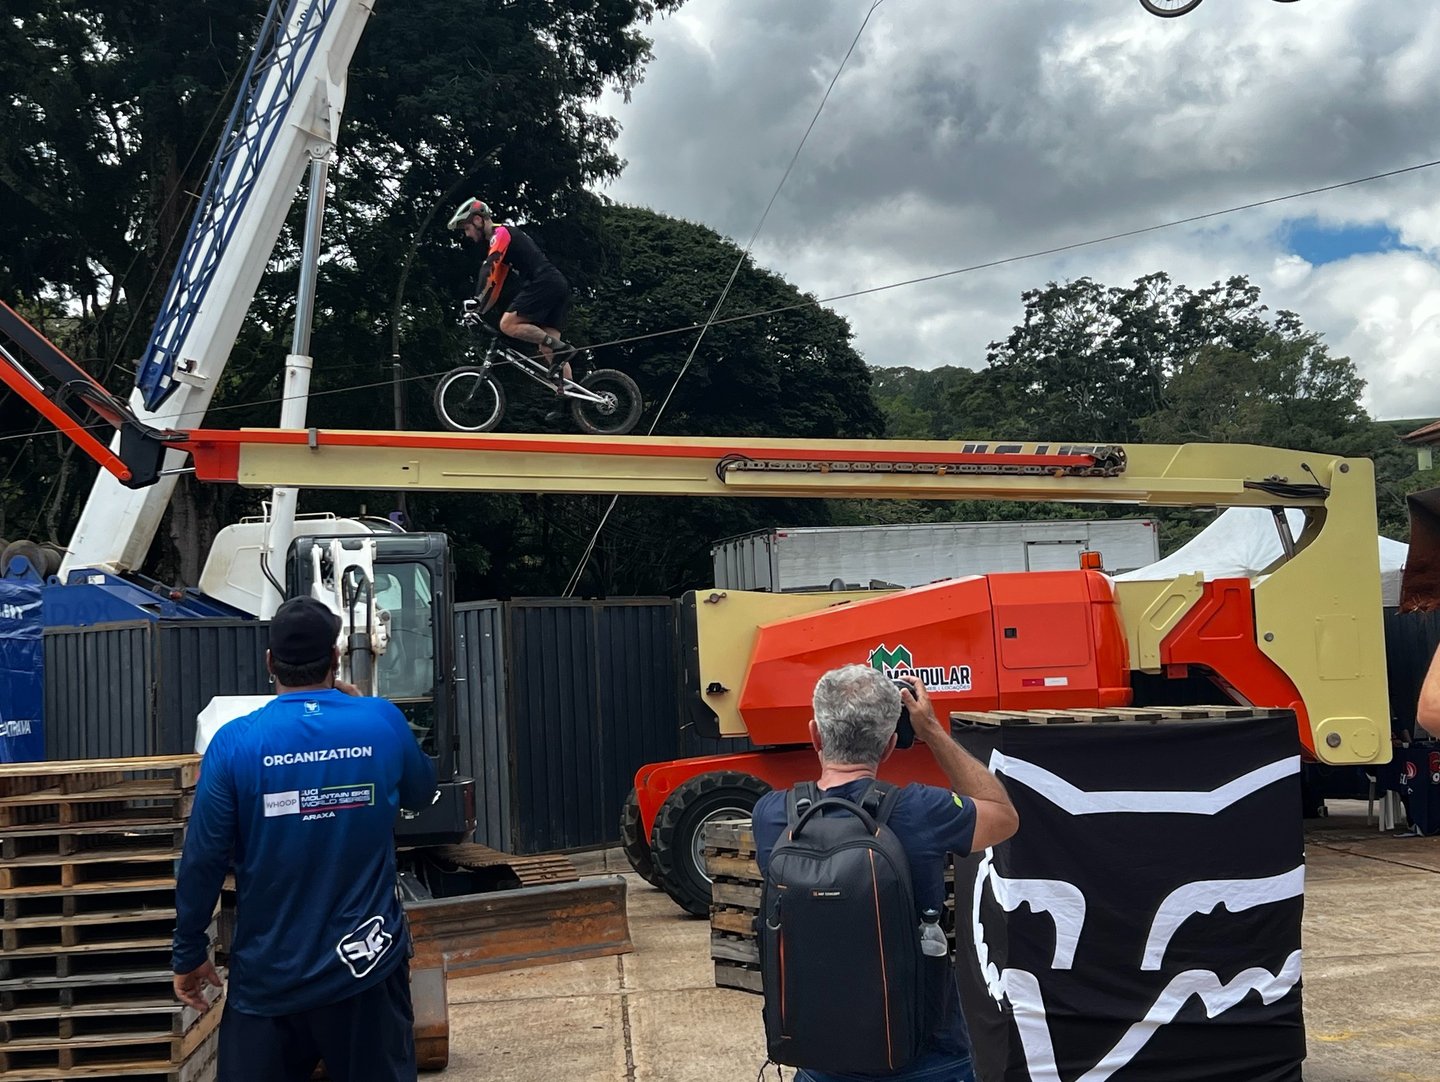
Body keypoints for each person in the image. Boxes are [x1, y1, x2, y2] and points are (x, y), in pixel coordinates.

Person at [171, 596, 437, 1082]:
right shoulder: (380, 720)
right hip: (366, 970)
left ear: (270, 662)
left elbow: (203, 859)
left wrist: (189, 951)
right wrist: (360, 711)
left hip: (269, 980)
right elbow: (422, 790)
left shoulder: (235, 743)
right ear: (335, 657)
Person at [751, 664, 1020, 1082]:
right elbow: (1003, 816)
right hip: (926, 1057)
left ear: (815, 735)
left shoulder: (772, 816)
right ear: (891, 744)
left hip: (820, 1055)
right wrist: (932, 731)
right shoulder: (922, 810)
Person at [447, 197, 575, 419]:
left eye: (467, 228)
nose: (467, 234)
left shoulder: (500, 233)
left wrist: (475, 300)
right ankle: (569, 402)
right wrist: (479, 310)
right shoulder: (504, 242)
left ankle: (563, 349)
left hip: (544, 282)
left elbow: (489, 267)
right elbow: (495, 284)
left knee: (507, 324)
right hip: (556, 285)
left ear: (477, 220)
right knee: (548, 348)